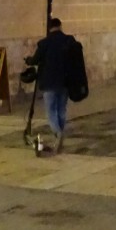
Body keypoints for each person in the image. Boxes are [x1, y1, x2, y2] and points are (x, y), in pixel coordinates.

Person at [25, 17, 76, 152]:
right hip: (65, 82)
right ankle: (59, 133)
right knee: (61, 109)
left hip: (49, 82)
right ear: (60, 26)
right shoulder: (69, 41)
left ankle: (58, 134)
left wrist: (28, 60)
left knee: (51, 110)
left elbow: (35, 60)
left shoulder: (44, 43)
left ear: (49, 28)